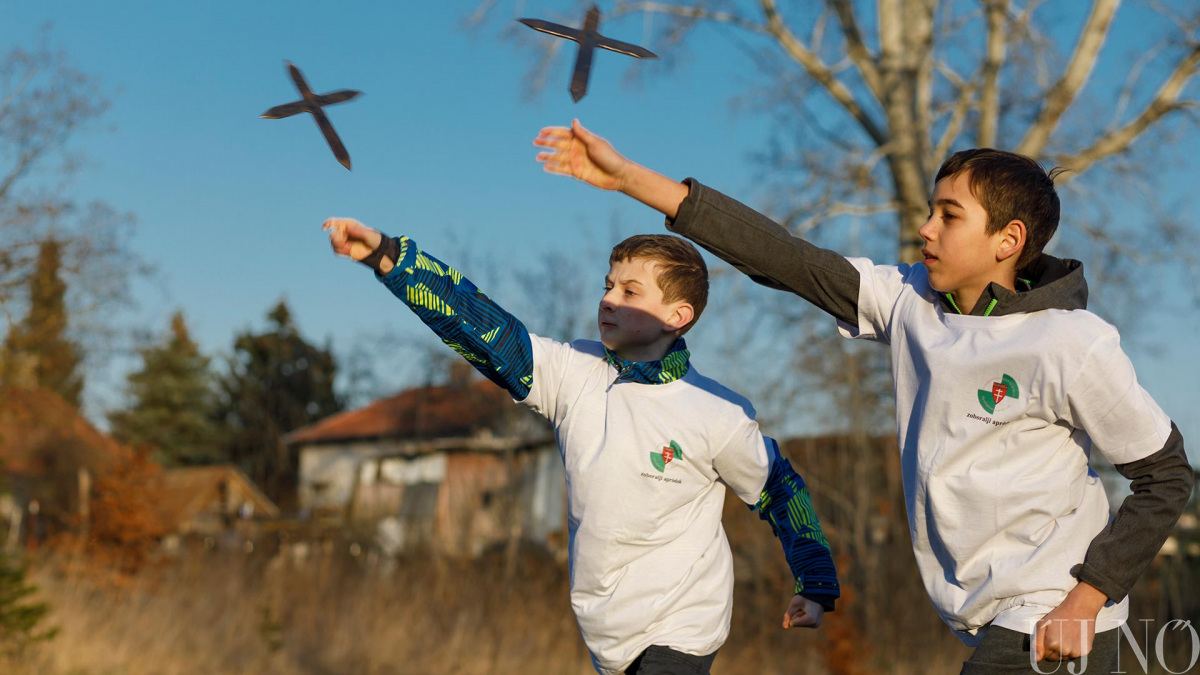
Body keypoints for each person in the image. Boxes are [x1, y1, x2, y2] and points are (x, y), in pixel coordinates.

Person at [533, 120, 1195, 673]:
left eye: (948, 215)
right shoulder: (908, 302)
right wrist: (629, 179)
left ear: (1008, 240)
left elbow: (1165, 474)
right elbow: (785, 259)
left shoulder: (1069, 342)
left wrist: (1087, 596)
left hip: (1053, 615)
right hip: (983, 610)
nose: (925, 228)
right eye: (930, 210)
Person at [324, 218, 840, 675]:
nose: (608, 300)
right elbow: (485, 328)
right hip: (607, 627)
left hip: (682, 622)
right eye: (608, 285)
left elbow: (779, 491)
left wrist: (813, 584)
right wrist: (390, 257)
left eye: (630, 292)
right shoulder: (575, 372)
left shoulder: (715, 412)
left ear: (677, 316)